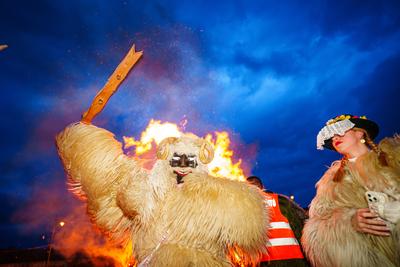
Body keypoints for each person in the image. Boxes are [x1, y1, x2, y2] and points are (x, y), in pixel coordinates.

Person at [302, 114, 400, 267]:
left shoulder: (394, 155)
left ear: (360, 132)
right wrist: (348, 222)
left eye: (340, 130)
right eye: (331, 136)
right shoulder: (330, 182)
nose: (335, 138)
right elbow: (316, 227)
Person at [246, 176, 310, 267]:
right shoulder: (281, 201)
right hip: (294, 261)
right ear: (262, 187)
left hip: (265, 263)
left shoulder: (248, 208)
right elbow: (301, 230)